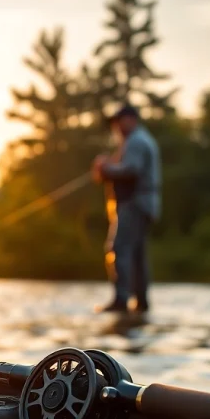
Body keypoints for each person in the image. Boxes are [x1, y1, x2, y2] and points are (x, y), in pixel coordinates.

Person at [91, 104, 161, 313]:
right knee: (137, 255)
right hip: (145, 205)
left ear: (131, 119)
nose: (116, 126)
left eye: (118, 121)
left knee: (119, 248)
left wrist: (105, 168)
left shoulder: (136, 141)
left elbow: (131, 170)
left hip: (135, 204)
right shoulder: (138, 140)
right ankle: (141, 302)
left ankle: (121, 300)